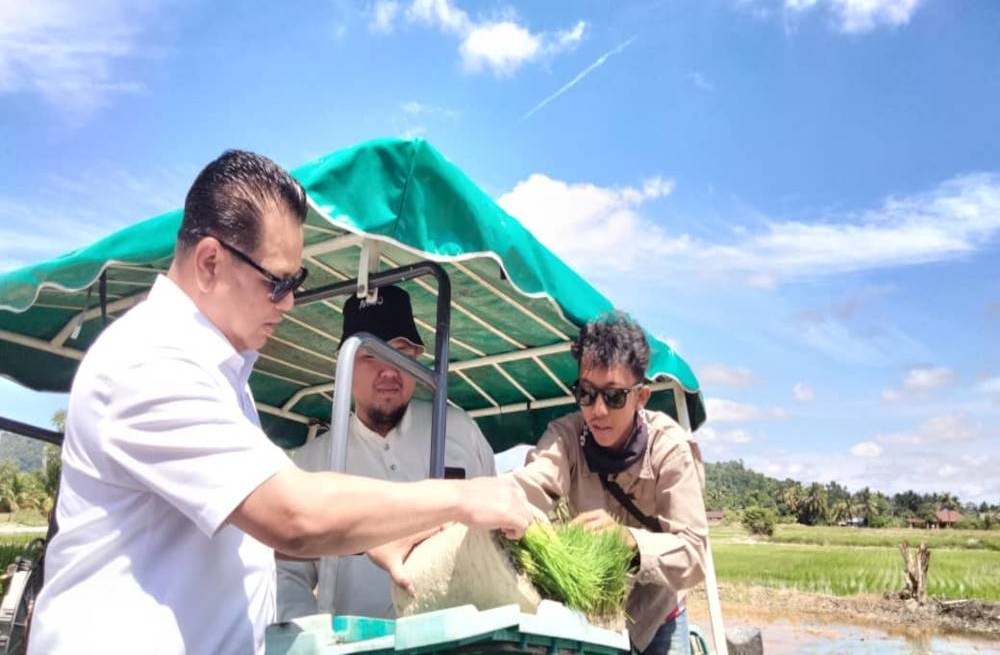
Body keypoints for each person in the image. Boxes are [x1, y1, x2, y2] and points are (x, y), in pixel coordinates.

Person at [28, 150, 531, 655]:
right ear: (210, 262)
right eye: (279, 282)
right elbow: (290, 515)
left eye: (297, 283)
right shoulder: (152, 361)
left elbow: (248, 519)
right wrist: (464, 499)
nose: (289, 302)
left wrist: (370, 539)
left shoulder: (220, 375)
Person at [277, 285, 496, 620]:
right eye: (371, 355)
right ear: (344, 366)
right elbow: (287, 577)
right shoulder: (311, 465)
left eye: (401, 352)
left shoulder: (459, 430)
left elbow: (494, 539)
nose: (390, 370)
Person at [510, 312, 707, 655]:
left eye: (614, 397)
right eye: (586, 394)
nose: (598, 411)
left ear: (641, 397)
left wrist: (628, 541)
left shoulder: (670, 449)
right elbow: (530, 485)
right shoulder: (566, 437)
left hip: (658, 614)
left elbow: (693, 554)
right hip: (594, 616)